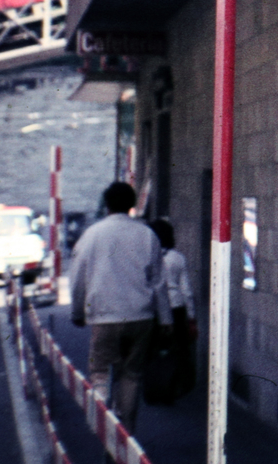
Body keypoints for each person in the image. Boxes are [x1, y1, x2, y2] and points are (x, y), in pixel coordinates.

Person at [69, 182, 170, 427]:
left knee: (100, 370)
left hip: (104, 317)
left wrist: (78, 311)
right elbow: (159, 281)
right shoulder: (147, 234)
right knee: (131, 374)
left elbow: (78, 276)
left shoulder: (92, 234)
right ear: (132, 204)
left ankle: (103, 422)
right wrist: (166, 319)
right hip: (140, 317)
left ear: (107, 205)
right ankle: (127, 433)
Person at [148, 219, 197, 401]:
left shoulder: (147, 256)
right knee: (179, 349)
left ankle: (155, 386)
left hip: (153, 309)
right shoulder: (177, 258)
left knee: (155, 349)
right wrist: (191, 317)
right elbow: (187, 291)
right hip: (176, 307)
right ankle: (177, 385)